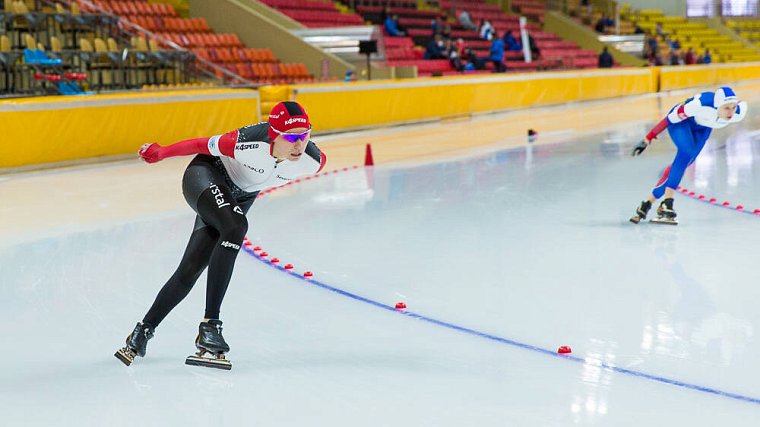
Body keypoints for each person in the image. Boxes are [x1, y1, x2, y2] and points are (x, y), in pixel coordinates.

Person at [115, 101, 327, 368]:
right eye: (292, 138)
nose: (299, 145)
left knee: (191, 269)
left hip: (239, 195)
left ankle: (142, 332)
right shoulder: (245, 142)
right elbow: (199, 144)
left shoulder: (312, 160)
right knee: (236, 227)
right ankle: (211, 325)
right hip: (206, 176)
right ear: (273, 135)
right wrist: (161, 153)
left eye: (305, 135)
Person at [629, 87, 747, 224]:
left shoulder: (738, 113)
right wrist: (648, 138)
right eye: (726, 108)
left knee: (684, 162)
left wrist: (734, 106)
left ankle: (647, 203)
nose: (731, 112)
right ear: (717, 105)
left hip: (703, 128)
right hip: (681, 123)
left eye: (733, 107)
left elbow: (742, 104)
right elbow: (669, 119)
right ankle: (668, 202)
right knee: (686, 153)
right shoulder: (698, 105)